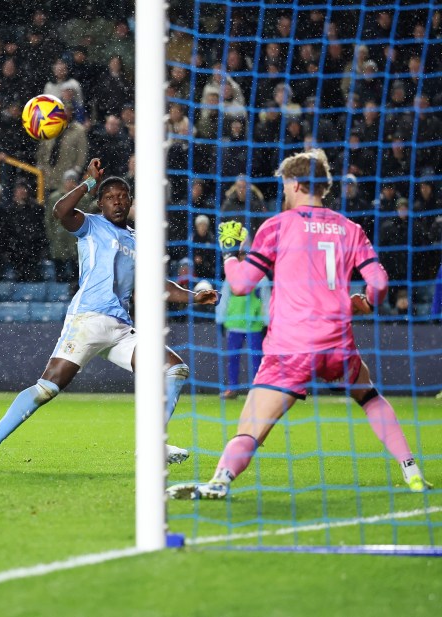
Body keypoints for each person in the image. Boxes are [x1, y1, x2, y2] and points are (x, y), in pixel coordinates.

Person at [168, 150, 431, 500]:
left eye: (284, 185)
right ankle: (411, 470)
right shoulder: (349, 229)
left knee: (252, 426)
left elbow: (244, 284)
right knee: (368, 395)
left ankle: (220, 479)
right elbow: (380, 284)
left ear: (294, 184)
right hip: (337, 343)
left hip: (289, 347)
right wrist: (366, 303)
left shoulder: (276, 226)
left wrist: (230, 253)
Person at [0, 159, 219, 470]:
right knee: (47, 389)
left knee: (174, 370)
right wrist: (87, 182)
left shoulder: (140, 241)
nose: (118, 201)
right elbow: (60, 212)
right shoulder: (91, 225)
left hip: (121, 329)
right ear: (100, 202)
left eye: (123, 196)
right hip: (87, 321)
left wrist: (195, 297)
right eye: (110, 196)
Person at [215, 278, 270, 400]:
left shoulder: (261, 278)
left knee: (257, 360)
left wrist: (267, 322)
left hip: (254, 325)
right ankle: (232, 389)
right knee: (232, 359)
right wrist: (220, 319)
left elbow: (266, 300)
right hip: (235, 324)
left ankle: (257, 389)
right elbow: (224, 299)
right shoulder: (232, 275)